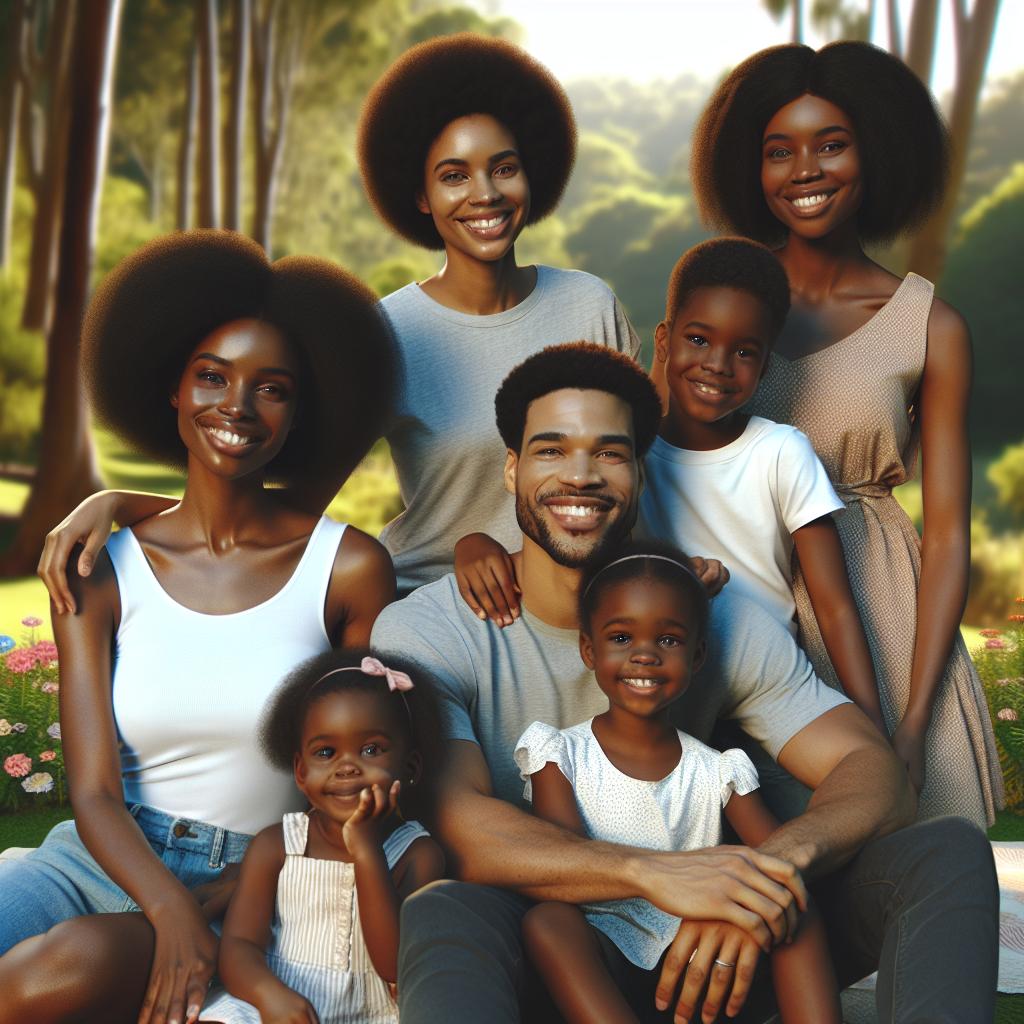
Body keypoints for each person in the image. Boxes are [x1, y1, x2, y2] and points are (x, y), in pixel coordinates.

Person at [371, 342, 998, 1024]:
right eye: (551, 450)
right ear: (512, 469)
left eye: (609, 453)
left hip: (720, 957)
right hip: (559, 959)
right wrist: (657, 875)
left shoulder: (712, 617)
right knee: (445, 908)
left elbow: (871, 770)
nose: (579, 475)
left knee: (949, 849)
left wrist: (762, 876)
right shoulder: (428, 630)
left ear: (639, 473)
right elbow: (459, 824)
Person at [38, 33, 640, 601]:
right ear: (421, 199)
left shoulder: (589, 306)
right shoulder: (391, 334)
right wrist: (119, 502)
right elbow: (282, 508)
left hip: (580, 607)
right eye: (453, 176)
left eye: (503, 168)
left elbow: (647, 476)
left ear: (531, 175)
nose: (484, 193)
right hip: (434, 605)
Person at [0, 231, 396, 1024]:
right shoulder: (99, 563)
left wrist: (216, 901)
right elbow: (91, 791)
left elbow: (371, 767)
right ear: (172, 390)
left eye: (272, 388)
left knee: (54, 975)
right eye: (212, 377)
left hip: (246, 880)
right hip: (97, 857)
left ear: (298, 412)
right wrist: (168, 912)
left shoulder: (348, 571)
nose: (237, 407)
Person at [689, 40, 1002, 826]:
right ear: (750, 171)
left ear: (876, 152)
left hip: (882, 610)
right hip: (742, 607)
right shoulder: (718, 311)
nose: (806, 170)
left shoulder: (931, 324)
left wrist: (916, 714)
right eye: (778, 151)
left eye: (831, 144)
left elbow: (946, 540)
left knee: (923, 878)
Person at [457, 236, 887, 736]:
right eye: (699, 340)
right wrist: (474, 543)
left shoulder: (780, 452)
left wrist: (871, 722)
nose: (717, 365)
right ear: (664, 341)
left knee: (807, 800)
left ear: (765, 365)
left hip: (759, 688)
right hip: (655, 692)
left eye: (744, 351)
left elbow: (833, 606)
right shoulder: (627, 458)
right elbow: (565, 545)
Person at [516, 542, 841, 1024]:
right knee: (549, 921)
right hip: (603, 954)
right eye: (621, 638)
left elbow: (775, 857)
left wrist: (734, 905)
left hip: (702, 956)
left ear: (697, 655)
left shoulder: (719, 770)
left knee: (792, 903)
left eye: (668, 640)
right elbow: (565, 871)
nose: (644, 655)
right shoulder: (559, 755)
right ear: (589, 649)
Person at [204, 650, 445, 1024]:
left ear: (410, 767)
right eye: (326, 752)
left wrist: (365, 850)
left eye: (371, 749)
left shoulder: (418, 854)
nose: (346, 766)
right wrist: (269, 996)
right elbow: (239, 946)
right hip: (274, 1002)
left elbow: (396, 966)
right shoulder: (277, 845)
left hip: (371, 1013)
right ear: (300, 772)